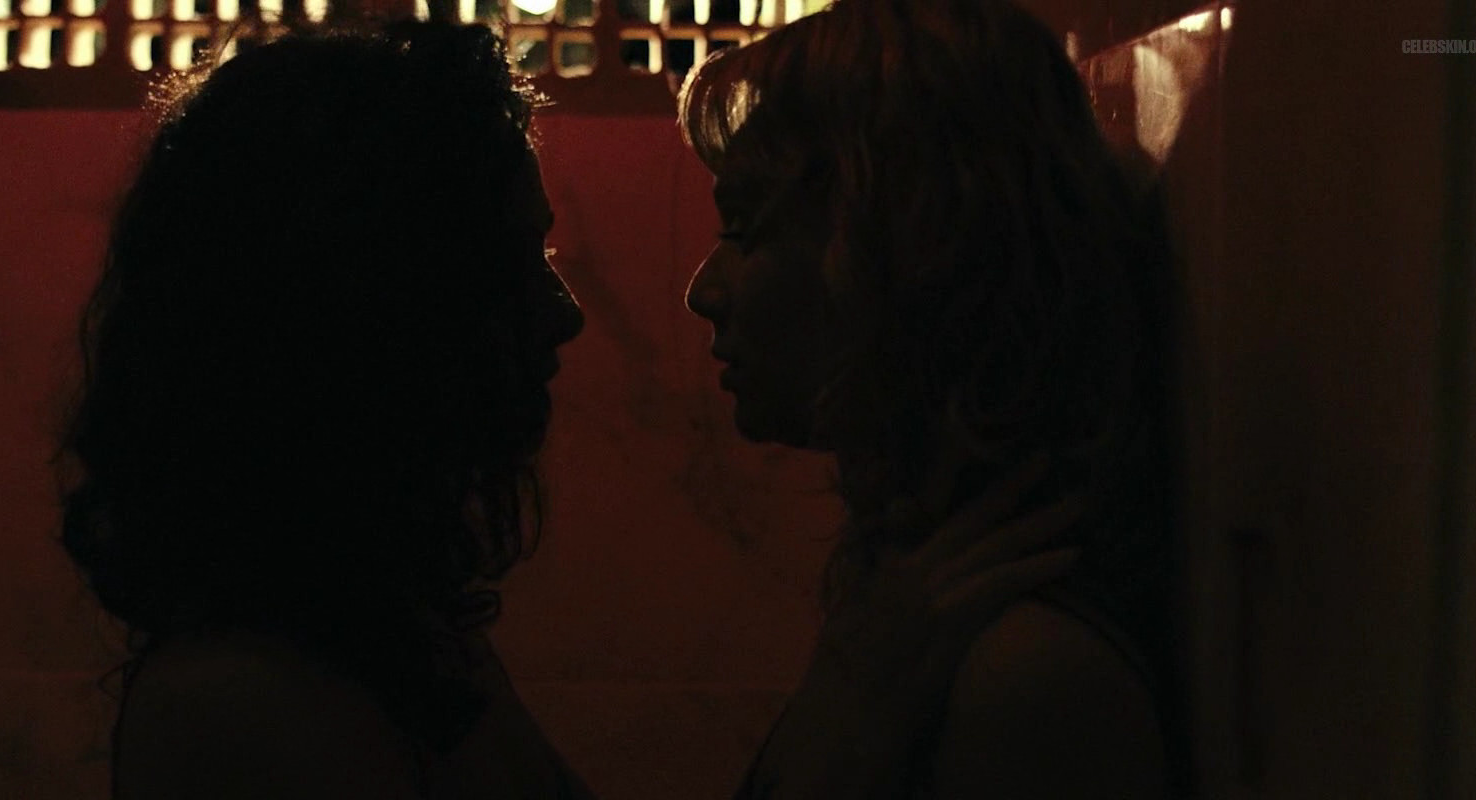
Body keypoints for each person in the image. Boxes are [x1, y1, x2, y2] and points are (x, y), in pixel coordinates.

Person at [58, 14, 1089, 800]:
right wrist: (838, 732)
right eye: (513, 263)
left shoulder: (398, 637)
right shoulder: (241, 703)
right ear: (370, 308)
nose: (563, 314)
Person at [680, 0, 1186, 796]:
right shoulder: (918, 612)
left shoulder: (1026, 676)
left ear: (900, 249)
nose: (703, 292)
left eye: (744, 230)